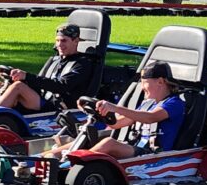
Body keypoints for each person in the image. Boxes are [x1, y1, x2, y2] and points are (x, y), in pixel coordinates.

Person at [45, 61, 185, 160]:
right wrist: (98, 111)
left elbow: (150, 118)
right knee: (87, 139)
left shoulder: (174, 103)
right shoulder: (147, 104)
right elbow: (115, 124)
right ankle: (45, 158)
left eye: (144, 83)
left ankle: (71, 165)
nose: (142, 88)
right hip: (134, 147)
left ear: (160, 82)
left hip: (152, 154)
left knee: (108, 143)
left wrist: (114, 107)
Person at [0, 23, 94, 114]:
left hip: (57, 106)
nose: (59, 45)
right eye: (57, 40)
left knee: (18, 86)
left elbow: (62, 86)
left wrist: (25, 77)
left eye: (64, 41)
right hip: (41, 98)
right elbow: (40, 81)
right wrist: (14, 75)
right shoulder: (54, 60)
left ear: (76, 41)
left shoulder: (82, 64)